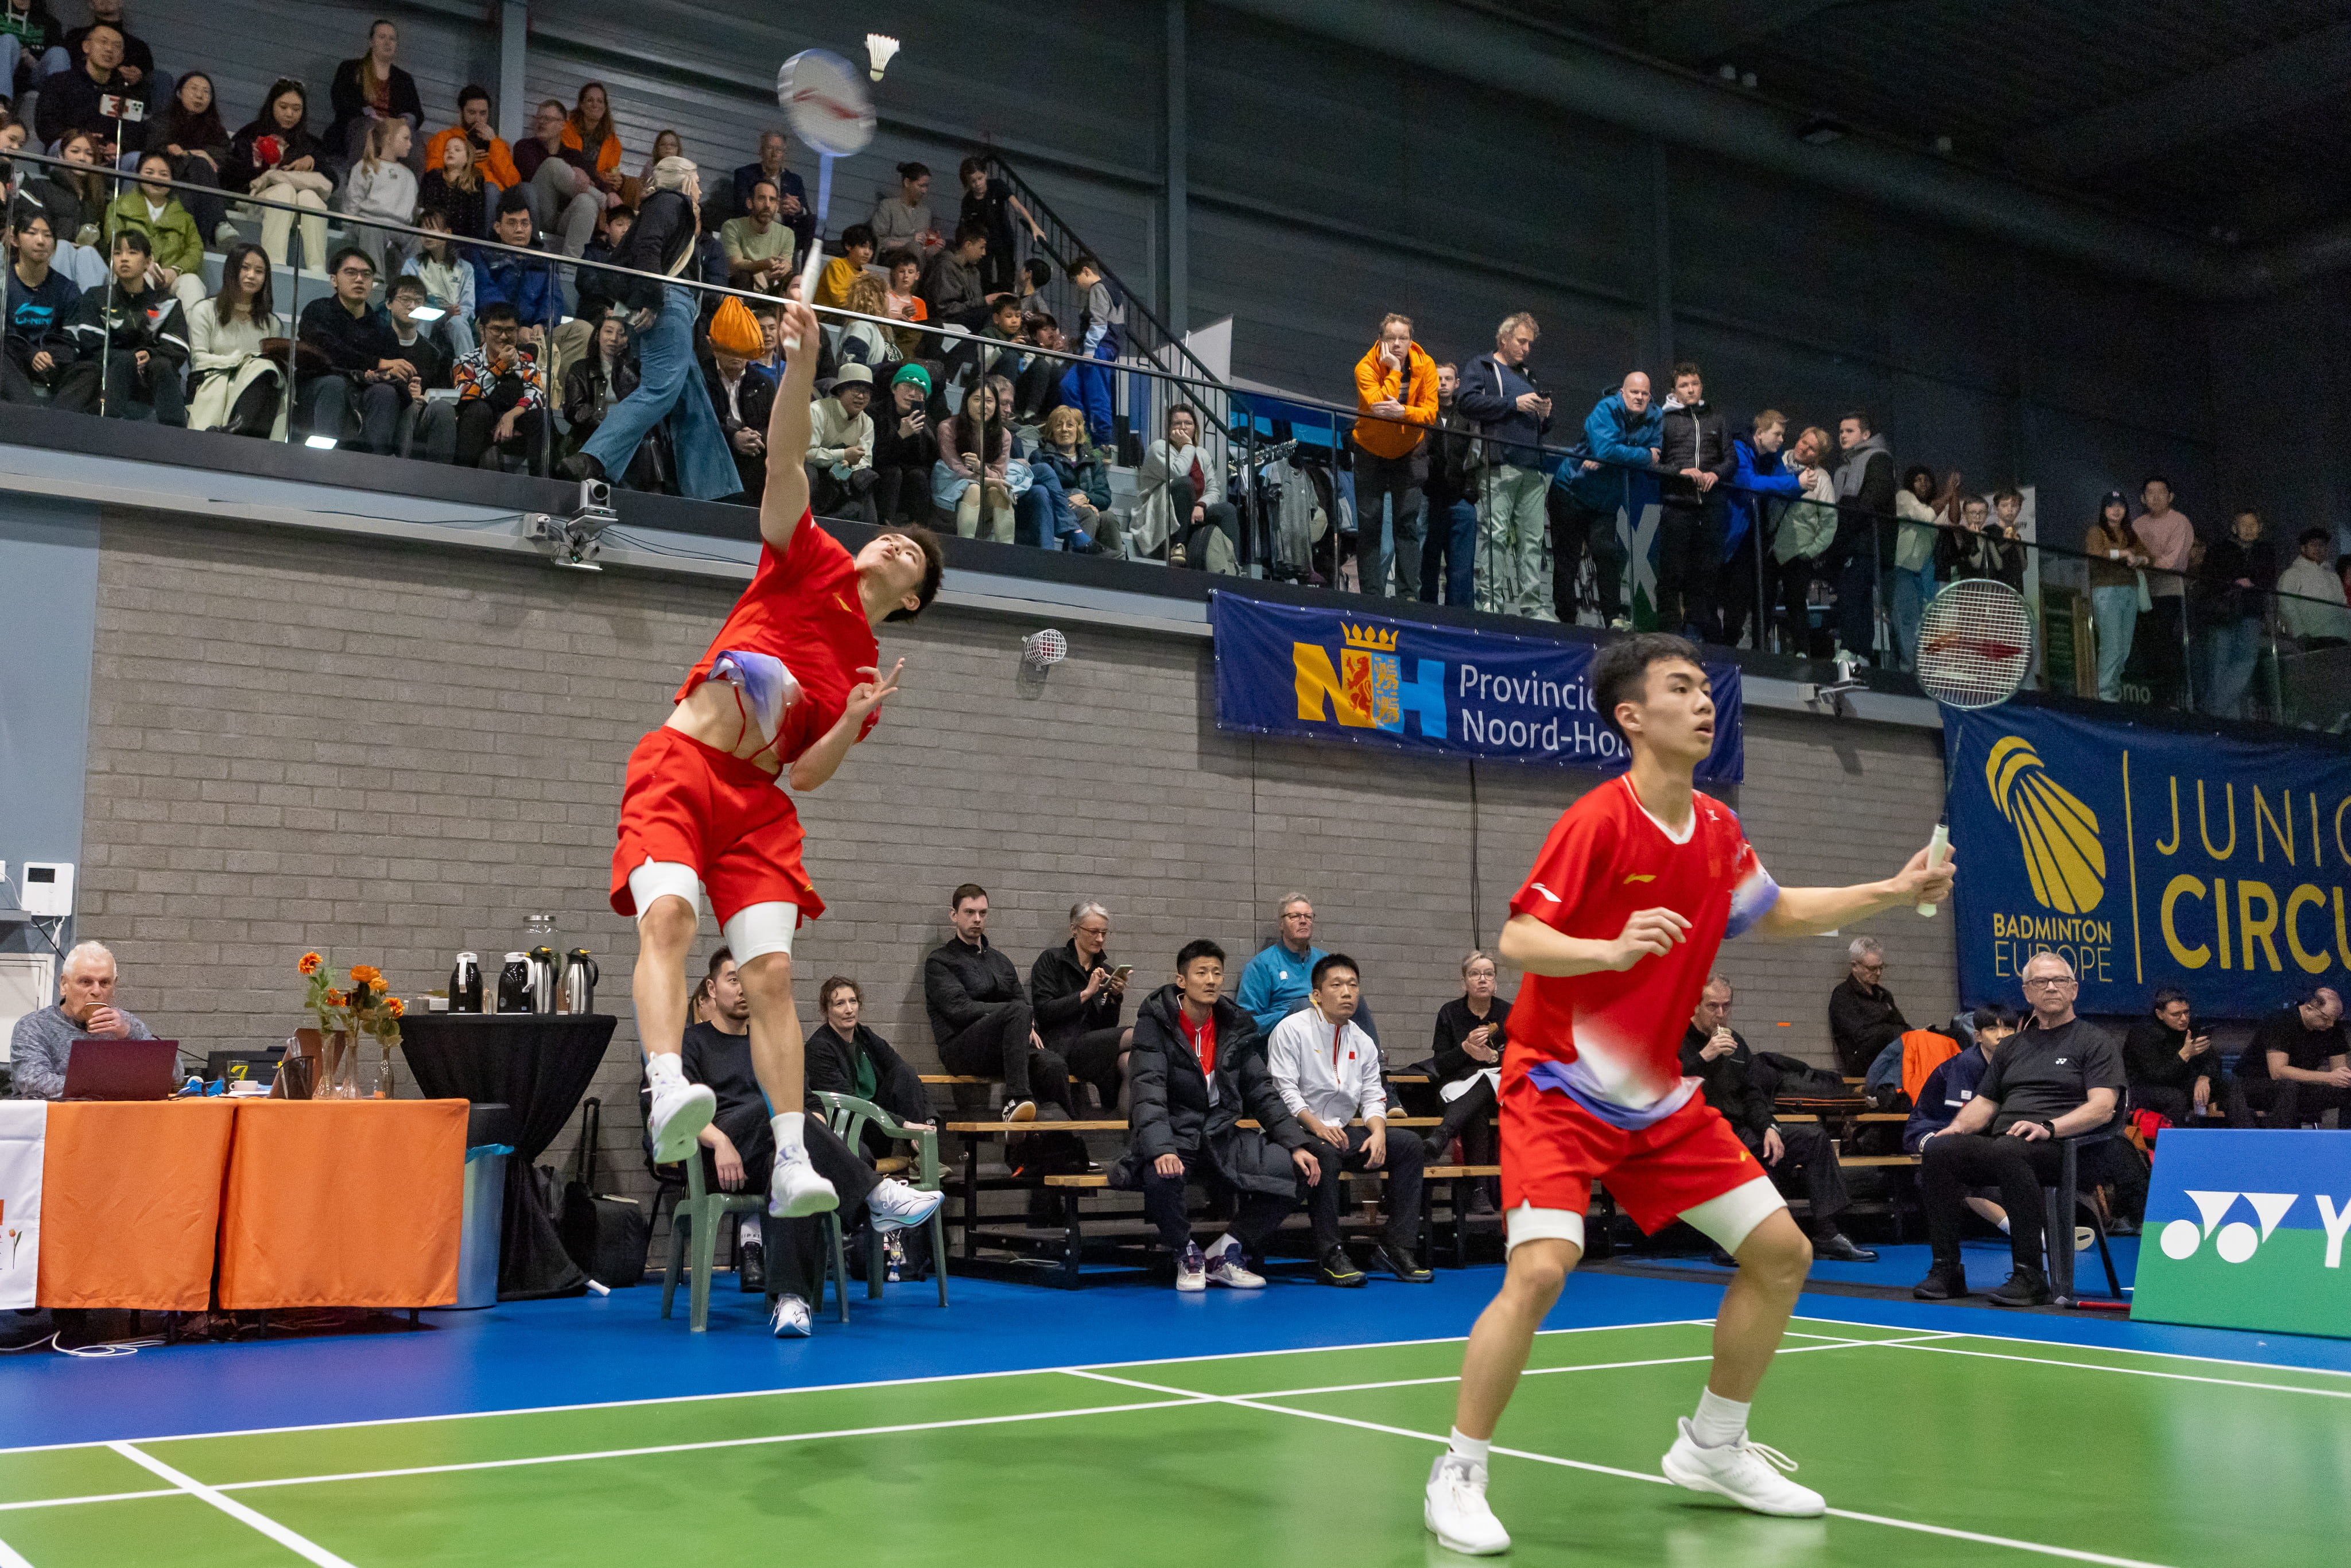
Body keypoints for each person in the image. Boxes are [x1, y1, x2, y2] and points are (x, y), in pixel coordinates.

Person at [1423, 633, 1954, 1554]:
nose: (1703, 702)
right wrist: (1611, 949)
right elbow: (1519, 941)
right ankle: (1460, 1469)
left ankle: (1713, 1444)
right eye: (1680, 688)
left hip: (1659, 1099)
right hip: (1556, 1084)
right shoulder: (1600, 820)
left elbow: (1777, 912)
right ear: (1632, 716)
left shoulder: (1715, 828)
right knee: (1544, 1268)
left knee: (1783, 1255)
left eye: (1706, 689)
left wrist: (1893, 887)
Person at [615, 291, 942, 1255]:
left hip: (758, 805)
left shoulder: (858, 673)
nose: (891, 540)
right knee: (669, 921)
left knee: (768, 975)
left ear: (913, 597)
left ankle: (797, 1157)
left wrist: (847, 719)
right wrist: (800, 364)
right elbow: (789, 459)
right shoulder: (810, 558)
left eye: (910, 550)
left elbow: (806, 777)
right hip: (683, 765)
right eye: (892, 531)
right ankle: (671, 1083)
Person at [681, 948, 944, 1335]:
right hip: (724, 1156)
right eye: (733, 979)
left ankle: (790, 1302)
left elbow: (810, 1106)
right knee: (776, 1114)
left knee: (794, 1163)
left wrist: (813, 1138)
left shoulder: (774, 1042)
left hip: (773, 1151)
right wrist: (718, 1140)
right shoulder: (692, 1042)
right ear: (712, 986)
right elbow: (679, 1109)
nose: (742, 989)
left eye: (749, 981)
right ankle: (876, 1196)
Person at [1912, 952, 2123, 1306]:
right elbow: (1985, 1105)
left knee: (2008, 1149)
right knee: (1939, 1149)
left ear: (2074, 990)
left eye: (2059, 981)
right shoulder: (2011, 1047)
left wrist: (2050, 1128)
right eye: (2040, 982)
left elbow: (2103, 1108)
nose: (2051, 987)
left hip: (2068, 1148)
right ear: (2028, 993)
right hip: (2007, 1144)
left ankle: (2030, 1275)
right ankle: (1946, 1270)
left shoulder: (2094, 1041)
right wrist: (1955, 1129)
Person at [1115, 938, 1317, 1291]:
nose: (1211, 980)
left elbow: (1262, 1091)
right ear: (1181, 980)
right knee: (1159, 1177)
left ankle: (1226, 1251)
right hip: (1176, 1132)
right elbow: (1148, 1092)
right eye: (1201, 973)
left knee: (1300, 1169)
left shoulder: (1234, 1026)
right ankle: (1185, 1253)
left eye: (1217, 973)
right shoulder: (1155, 1024)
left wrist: (1295, 1142)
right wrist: (1161, 1148)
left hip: (1222, 1134)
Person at [558, 157, 738, 499]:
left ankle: (713, 492)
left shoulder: (669, 207)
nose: (699, 189)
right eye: (696, 180)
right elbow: (649, 248)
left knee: (692, 400)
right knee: (659, 391)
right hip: (668, 305)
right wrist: (651, 301)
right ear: (682, 181)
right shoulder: (672, 201)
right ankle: (592, 459)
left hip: (675, 308)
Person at [1680, 976, 1876, 1266]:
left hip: (1740, 1128)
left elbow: (1753, 1095)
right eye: (1712, 1007)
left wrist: (1770, 1127)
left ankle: (1826, 1233)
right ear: (1694, 1006)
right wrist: (1704, 1056)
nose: (1721, 1014)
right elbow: (1663, 1085)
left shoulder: (1736, 1044)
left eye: (1726, 1006)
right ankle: (1732, 1240)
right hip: (1698, 1130)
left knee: (1814, 1138)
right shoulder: (1677, 1041)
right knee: (1742, 1151)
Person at [1267, 954, 1431, 1286]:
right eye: (1337, 985)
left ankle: (1396, 1247)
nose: (1347, 993)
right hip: (1295, 1135)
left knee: (1410, 1146)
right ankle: (1330, 1254)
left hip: (1340, 1132)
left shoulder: (1362, 1040)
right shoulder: (1291, 1030)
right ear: (1316, 994)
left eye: (1353, 985)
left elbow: (1373, 1095)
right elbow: (1283, 1091)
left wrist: (1379, 1131)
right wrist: (1317, 1127)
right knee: (1323, 1153)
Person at [922, 883, 1074, 1123]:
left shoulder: (1000, 961)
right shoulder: (940, 962)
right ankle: (1016, 1099)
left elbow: (1019, 1000)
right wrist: (1016, 1016)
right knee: (1018, 1011)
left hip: (1003, 1048)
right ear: (954, 916)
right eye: (969, 912)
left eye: (982, 913)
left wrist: (1027, 1023)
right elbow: (959, 1009)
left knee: (1052, 1063)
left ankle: (1069, 1147)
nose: (977, 919)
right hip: (960, 1049)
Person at [1456, 312, 1553, 620]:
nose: (1526, 348)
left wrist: (1545, 415)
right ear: (1504, 339)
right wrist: (1513, 404)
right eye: (1521, 341)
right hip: (1499, 463)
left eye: (1530, 344)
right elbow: (1467, 402)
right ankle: (1492, 604)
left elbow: (1543, 429)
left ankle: (1534, 608)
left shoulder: (1529, 377)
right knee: (1495, 535)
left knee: (1533, 542)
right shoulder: (1482, 367)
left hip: (1532, 467)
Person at [1552, 372, 1657, 628]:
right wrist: (1642, 455)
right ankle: (1566, 621)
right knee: (1568, 559)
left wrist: (1614, 454)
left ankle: (1614, 618)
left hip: (1607, 501)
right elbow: (1607, 451)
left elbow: (1657, 455)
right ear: (1623, 393)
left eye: (1645, 393)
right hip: (1570, 491)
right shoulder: (1605, 409)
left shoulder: (1656, 417)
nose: (1640, 397)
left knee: (1607, 554)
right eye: (1634, 392)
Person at [53, 228, 184, 422]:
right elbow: (91, 346)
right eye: (117, 253)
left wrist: (149, 354)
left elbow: (176, 349)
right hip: (106, 370)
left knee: (163, 365)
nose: (124, 259)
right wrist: (130, 357)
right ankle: (71, 424)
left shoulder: (166, 303)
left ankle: (176, 435)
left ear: (148, 262)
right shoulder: (95, 296)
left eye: (132, 252)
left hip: (148, 374)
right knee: (99, 368)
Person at [1349, 313, 1438, 599]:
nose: (1398, 343)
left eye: (1404, 338)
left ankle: (1408, 594)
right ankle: (1372, 595)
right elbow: (1378, 406)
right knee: (1370, 522)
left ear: (1412, 339)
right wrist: (1396, 370)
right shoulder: (1365, 367)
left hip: (1409, 451)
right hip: (1370, 450)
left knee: (1407, 524)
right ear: (1381, 341)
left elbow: (1430, 412)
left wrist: (1406, 413)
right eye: (1392, 338)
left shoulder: (1426, 365)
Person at [296, 247, 410, 453]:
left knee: (385, 393)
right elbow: (326, 351)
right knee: (334, 384)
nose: (359, 279)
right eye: (351, 273)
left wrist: (392, 376)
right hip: (320, 391)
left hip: (366, 396)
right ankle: (324, 464)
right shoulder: (318, 311)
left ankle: (375, 469)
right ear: (334, 280)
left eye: (366, 275)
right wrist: (377, 364)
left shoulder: (383, 329)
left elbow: (395, 374)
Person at [805, 976, 934, 1159]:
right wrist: (904, 1124)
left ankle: (920, 1155)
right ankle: (919, 1152)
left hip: (878, 1126)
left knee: (903, 1072)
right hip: (850, 1130)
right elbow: (850, 1103)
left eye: (853, 1001)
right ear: (827, 1011)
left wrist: (928, 1120)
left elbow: (906, 1072)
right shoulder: (819, 1048)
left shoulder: (864, 1036)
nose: (849, 1010)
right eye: (840, 1004)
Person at [7, 940, 152, 1099]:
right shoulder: (35, 1026)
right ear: (64, 985)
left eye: (105, 983)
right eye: (86, 982)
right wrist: (116, 1086)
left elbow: (174, 1075)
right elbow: (35, 1083)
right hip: (55, 1119)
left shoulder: (125, 1025)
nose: (96, 991)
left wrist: (131, 1035)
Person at [1029, 899, 1133, 1113]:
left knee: (1131, 1061)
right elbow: (1044, 1012)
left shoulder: (1104, 969)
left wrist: (1113, 998)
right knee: (1139, 1035)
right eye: (1094, 932)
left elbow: (1107, 1024)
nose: (1100, 939)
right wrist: (1085, 994)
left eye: (1104, 933)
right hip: (1061, 1045)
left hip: (1092, 1045)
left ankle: (1132, 1137)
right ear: (1074, 930)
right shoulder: (1052, 960)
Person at [1653, 363, 1732, 639]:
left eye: (1695, 384)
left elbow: (1730, 459)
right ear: (1674, 390)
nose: (1691, 389)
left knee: (1707, 571)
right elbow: (1653, 463)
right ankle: (1669, 630)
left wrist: (1716, 474)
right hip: (1677, 502)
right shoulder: (1663, 419)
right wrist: (1681, 472)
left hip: (1711, 505)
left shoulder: (1717, 418)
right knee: (1671, 570)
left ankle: (1694, 629)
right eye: (1684, 385)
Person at [1715, 410, 1805, 646]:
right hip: (1731, 531)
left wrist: (1800, 485)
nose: (1781, 439)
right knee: (1721, 590)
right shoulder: (1739, 448)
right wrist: (1795, 483)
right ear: (1760, 433)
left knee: (1745, 594)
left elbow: (1784, 486)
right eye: (1777, 434)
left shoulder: (1772, 458)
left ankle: (1734, 643)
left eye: (1782, 435)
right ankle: (1717, 643)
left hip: (1755, 534)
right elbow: (1749, 483)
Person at [226, 77, 331, 271]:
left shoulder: (309, 145)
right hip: (254, 200)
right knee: (283, 190)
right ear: (271, 105)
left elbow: (333, 181)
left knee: (310, 197)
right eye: (283, 107)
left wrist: (313, 162)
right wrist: (261, 163)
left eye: (296, 109)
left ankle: (317, 269)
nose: (290, 114)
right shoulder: (251, 134)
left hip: (298, 206)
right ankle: (274, 265)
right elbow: (229, 176)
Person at [185, 242, 285, 438]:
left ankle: (240, 428)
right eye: (245, 268)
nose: (251, 276)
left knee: (269, 374)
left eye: (259, 271)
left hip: (257, 388)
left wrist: (251, 367)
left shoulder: (272, 324)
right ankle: (239, 428)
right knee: (258, 367)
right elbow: (199, 360)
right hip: (213, 381)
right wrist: (243, 362)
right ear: (232, 270)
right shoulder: (204, 310)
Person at [1427, 950, 1510, 1182]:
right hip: (1457, 1088)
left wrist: (1491, 1057)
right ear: (1464, 983)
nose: (1482, 979)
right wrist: (1464, 1048)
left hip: (1500, 1093)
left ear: (1496, 984)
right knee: (1478, 1104)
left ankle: (1443, 1135)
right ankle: (1479, 1192)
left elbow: (1521, 1060)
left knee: (1486, 1080)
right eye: (1475, 974)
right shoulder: (1449, 1012)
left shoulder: (1508, 1013)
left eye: (1489, 974)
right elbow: (1440, 1064)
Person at [1825, 410, 1896, 665]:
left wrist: (1846, 527)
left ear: (1866, 434)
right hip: (1854, 541)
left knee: (1855, 593)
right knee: (1855, 595)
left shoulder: (1877, 458)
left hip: (1867, 542)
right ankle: (1860, 651)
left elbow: (1875, 498)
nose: (1843, 435)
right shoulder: (1847, 467)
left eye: (1850, 431)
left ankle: (1853, 649)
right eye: (1841, 431)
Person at [100, 149, 205, 316]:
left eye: (164, 174)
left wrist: (175, 270)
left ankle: (189, 340)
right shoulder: (118, 207)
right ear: (138, 175)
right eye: (149, 172)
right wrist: (143, 265)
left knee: (192, 282)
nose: (157, 178)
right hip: (131, 273)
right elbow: (114, 241)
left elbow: (195, 250)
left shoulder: (185, 218)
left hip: (169, 279)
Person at [2226, 988, 2348, 1129]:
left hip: (2301, 1087)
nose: (2330, 1025)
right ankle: (2280, 1138)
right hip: (2257, 1084)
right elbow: (2278, 1072)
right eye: (2326, 1019)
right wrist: (2329, 1078)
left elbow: (2339, 1070)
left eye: (2335, 1020)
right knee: (2289, 1086)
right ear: (2309, 1008)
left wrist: (2345, 1078)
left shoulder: (2331, 1028)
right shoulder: (2280, 1022)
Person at [448, 300, 548, 472]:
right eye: (497, 329)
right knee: (478, 409)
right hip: (477, 425)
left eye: (510, 330)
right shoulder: (466, 360)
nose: (504, 336)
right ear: (483, 331)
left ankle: (540, 483)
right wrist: (500, 366)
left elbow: (537, 396)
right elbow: (465, 394)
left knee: (541, 416)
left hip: (513, 425)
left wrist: (510, 416)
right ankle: (462, 478)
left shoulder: (526, 361)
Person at [1133, 405, 1235, 569]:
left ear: (1195, 427)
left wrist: (1201, 505)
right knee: (1184, 483)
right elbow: (1178, 473)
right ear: (1169, 429)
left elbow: (1213, 489)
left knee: (1227, 509)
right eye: (1177, 423)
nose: (1183, 427)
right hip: (1165, 515)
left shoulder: (1202, 454)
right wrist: (1188, 445)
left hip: (1195, 514)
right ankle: (1178, 546)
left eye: (1188, 423)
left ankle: (1232, 562)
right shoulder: (1159, 448)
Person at [2199, 510, 2274, 719]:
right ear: (2234, 528)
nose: (2249, 529)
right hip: (2223, 612)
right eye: (2244, 525)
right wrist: (2235, 581)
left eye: (2253, 525)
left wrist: (2253, 582)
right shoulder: (2220, 549)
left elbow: (2268, 577)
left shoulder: (2265, 550)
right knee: (2219, 662)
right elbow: (2209, 577)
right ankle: (2226, 717)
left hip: (2251, 612)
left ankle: (2213, 710)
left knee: (2245, 661)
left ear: (2260, 529)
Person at [143, 69, 230, 246]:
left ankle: (191, 243)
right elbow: (155, 150)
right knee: (197, 166)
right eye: (194, 89)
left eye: (206, 92)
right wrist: (190, 155)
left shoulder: (217, 130)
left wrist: (187, 153)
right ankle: (220, 223)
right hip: (167, 178)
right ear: (179, 93)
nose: (200, 96)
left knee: (194, 183)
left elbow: (220, 160)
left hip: (199, 186)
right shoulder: (163, 119)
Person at [1417, 362, 1480, 607]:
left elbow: (1477, 454)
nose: (1442, 383)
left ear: (1457, 384)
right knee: (1427, 562)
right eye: (1438, 379)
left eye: (1447, 378)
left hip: (1461, 498)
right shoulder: (1423, 412)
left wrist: (1470, 490)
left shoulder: (1468, 417)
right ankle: (1426, 614)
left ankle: (1460, 620)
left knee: (1462, 568)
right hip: (1429, 497)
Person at [932, 377, 1021, 541]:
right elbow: (956, 468)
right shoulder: (948, 427)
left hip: (985, 488)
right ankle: (966, 545)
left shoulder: (1004, 435)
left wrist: (981, 468)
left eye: (989, 401)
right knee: (974, 489)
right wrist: (990, 481)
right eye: (977, 399)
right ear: (967, 401)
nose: (983, 406)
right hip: (951, 486)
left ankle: (1007, 550)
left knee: (999, 492)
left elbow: (999, 476)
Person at [0, 208, 74, 404]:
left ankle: (59, 418)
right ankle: (31, 411)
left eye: (48, 235)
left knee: (90, 370)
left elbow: (71, 340)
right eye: (32, 233)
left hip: (51, 364)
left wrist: (49, 356)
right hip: (12, 361)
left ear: (55, 246)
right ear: (15, 240)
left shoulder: (67, 289)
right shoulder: (3, 283)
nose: (41, 241)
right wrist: (29, 354)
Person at [2132, 476, 2195, 702]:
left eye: (2162, 492)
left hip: (2170, 592)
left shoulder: (2180, 522)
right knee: (2145, 646)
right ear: (2142, 498)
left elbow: (2174, 563)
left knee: (2166, 646)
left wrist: (2145, 561)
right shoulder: (2137, 525)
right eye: (2150, 492)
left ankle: (2171, 699)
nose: (2156, 497)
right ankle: (2153, 699)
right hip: (2142, 594)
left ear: (2171, 497)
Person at [324, 17, 421, 160]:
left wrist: (402, 122)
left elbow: (417, 113)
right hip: (357, 127)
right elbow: (341, 101)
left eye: (392, 39)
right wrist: (368, 114)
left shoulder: (405, 79)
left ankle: (407, 181)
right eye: (382, 37)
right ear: (372, 42)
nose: (388, 42)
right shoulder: (350, 69)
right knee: (368, 128)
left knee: (415, 140)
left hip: (392, 132)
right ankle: (359, 176)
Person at [32, 18, 139, 147]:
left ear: (121, 58)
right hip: (67, 148)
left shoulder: (126, 95)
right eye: (103, 42)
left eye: (116, 46)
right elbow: (46, 125)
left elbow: (135, 135)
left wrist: (119, 148)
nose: (110, 49)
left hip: (107, 156)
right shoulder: (59, 82)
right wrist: (82, 140)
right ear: (86, 47)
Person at [2084, 489, 2148, 703]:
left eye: (2121, 505)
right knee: (2111, 645)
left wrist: (2139, 560)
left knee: (2124, 648)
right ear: (2104, 510)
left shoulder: (2130, 533)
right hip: (2106, 590)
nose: (2116, 510)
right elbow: (2095, 552)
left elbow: (2150, 557)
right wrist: (2123, 554)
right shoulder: (2096, 531)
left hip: (2130, 589)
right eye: (2111, 506)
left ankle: (2112, 689)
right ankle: (2103, 694)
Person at [468, 191, 561, 338]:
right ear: (497, 227)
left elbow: (552, 297)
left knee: (581, 330)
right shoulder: (483, 254)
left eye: (524, 223)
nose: (519, 229)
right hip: (496, 324)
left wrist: (542, 324)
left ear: (531, 226)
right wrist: (515, 327)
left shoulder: (543, 258)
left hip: (535, 330)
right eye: (512, 223)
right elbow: (485, 292)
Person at [1021, 403, 1112, 553]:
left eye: (1070, 425)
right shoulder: (1040, 456)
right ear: (1052, 431)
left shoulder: (1093, 460)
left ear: (1078, 430)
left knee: (1109, 518)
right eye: (1059, 426)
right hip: (1054, 510)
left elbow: (1105, 496)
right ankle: (1075, 561)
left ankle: (1116, 563)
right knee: (1087, 514)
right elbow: (1043, 493)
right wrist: (1074, 500)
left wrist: (1087, 499)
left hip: (1084, 508)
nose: (1064, 430)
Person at [2122, 988, 2218, 1127]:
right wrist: (2185, 1054)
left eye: (2186, 1012)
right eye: (2176, 1015)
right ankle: (2172, 1145)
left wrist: (2204, 1078)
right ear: (2160, 1014)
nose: (2184, 1019)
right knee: (2176, 1098)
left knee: (2229, 1085)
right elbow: (2157, 1076)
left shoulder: (2190, 1028)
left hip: (2179, 1083)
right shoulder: (2143, 1034)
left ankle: (2247, 1140)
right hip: (2143, 1088)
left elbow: (2212, 1058)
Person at [1239, 894, 1328, 1039]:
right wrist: (1290, 1016)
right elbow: (1246, 1023)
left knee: (1357, 1003)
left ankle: (1376, 1060)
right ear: (1281, 924)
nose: (1303, 921)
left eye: (1308, 916)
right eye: (1295, 916)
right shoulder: (1262, 965)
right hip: (1284, 1038)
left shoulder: (1326, 962)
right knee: (1305, 1006)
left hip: (1328, 1031)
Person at [703, 325, 775, 501]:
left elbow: (775, 424)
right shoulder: (700, 377)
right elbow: (699, 423)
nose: (737, 353)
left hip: (754, 450)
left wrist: (756, 437)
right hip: (715, 448)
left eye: (742, 347)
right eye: (730, 347)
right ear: (715, 348)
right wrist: (733, 438)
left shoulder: (763, 382)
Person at [339, 117, 417, 277]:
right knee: (372, 230)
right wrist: (348, 228)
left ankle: (413, 282)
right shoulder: (365, 167)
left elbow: (412, 211)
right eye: (405, 139)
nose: (410, 144)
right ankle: (375, 278)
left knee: (420, 239)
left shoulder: (409, 176)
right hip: (370, 224)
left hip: (400, 228)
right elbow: (353, 202)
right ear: (389, 139)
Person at [804, 360, 876, 522]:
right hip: (813, 469)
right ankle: (800, 525)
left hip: (841, 473)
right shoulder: (817, 411)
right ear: (841, 391)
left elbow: (865, 460)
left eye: (867, 392)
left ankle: (871, 533)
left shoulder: (867, 422)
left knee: (867, 478)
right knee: (808, 471)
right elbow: (807, 454)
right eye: (856, 390)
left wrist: (849, 464)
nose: (861, 396)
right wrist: (842, 454)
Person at [401, 209, 478, 359]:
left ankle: (469, 372)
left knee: (459, 323)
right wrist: (439, 310)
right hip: (425, 314)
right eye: (423, 230)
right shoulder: (412, 265)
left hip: (453, 318)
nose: (426, 235)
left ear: (447, 232)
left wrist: (453, 313)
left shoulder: (465, 268)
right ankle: (415, 364)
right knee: (424, 316)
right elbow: (408, 299)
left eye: (432, 229)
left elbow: (468, 306)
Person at [1828, 936, 1908, 1079]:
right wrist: (1889, 1029)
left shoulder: (1884, 995)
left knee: (1934, 1037)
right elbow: (1860, 1035)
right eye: (1872, 968)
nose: (1878, 973)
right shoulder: (1843, 995)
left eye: (1881, 967)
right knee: (1892, 1034)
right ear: (1855, 966)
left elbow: (1902, 1026)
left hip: (1889, 1051)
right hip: (1862, 1061)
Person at [956, 154, 1038, 295]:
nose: (978, 184)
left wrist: (1033, 226)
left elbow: (1017, 206)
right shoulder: (968, 201)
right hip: (984, 243)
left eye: (980, 179)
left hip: (1004, 237)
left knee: (1006, 276)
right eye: (973, 181)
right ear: (969, 183)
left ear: (986, 174)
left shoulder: (997, 186)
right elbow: (965, 226)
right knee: (984, 276)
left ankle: (1006, 301)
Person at [422, 85, 522, 196]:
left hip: (498, 200)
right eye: (472, 113)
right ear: (461, 112)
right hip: (463, 197)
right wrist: (464, 161)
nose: (478, 119)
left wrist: (495, 143)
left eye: (483, 113)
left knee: (526, 189)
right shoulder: (445, 138)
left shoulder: (497, 143)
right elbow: (434, 176)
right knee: (490, 188)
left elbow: (514, 183)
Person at [870, 363, 936, 526]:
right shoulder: (874, 413)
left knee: (918, 476)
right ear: (894, 389)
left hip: (907, 484)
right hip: (880, 476)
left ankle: (919, 533)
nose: (912, 394)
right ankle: (883, 528)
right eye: (907, 386)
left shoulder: (927, 423)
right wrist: (901, 435)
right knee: (894, 472)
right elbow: (875, 458)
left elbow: (925, 464)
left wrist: (919, 435)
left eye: (919, 390)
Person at [732, 131, 813, 254]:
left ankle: (806, 271)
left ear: (784, 154)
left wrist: (798, 210)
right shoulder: (745, 174)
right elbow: (741, 207)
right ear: (761, 151)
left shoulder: (795, 180)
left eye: (779, 150)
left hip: (785, 234)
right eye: (770, 148)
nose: (774, 154)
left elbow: (807, 212)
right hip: (756, 231)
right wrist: (775, 208)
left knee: (815, 221)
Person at [2278, 526, 2351, 647]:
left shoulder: (2333, 576)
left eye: (2322, 545)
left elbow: (2343, 605)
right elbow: (2287, 605)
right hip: (2315, 640)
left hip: (2343, 637)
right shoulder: (2292, 574)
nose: (2318, 549)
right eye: (2313, 545)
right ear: (2303, 548)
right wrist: (2300, 634)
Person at [721, 177, 794, 294]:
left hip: (771, 289)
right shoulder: (732, 227)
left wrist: (785, 267)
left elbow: (786, 265)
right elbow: (735, 265)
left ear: (777, 206)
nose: (767, 205)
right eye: (762, 198)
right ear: (750, 203)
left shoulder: (787, 234)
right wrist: (764, 265)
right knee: (743, 276)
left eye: (772, 200)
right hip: (739, 288)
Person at [416, 132, 486, 243]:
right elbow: (423, 208)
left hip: (461, 240)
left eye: (457, 150)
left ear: (468, 158)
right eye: (447, 149)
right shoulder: (432, 176)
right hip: (431, 235)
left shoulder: (474, 182)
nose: (450, 151)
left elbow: (475, 220)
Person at [919, 219, 990, 325]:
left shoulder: (974, 272)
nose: (984, 253)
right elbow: (946, 309)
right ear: (968, 245)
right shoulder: (945, 266)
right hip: (945, 326)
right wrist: (984, 301)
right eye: (982, 247)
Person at [0, 1, 64, 110]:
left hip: (34, 74)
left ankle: (59, 111)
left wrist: (33, 62)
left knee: (59, 53)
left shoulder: (49, 22)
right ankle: (1, 104)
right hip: (4, 70)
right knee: (9, 41)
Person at [870, 161, 936, 256]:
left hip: (917, 261)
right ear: (907, 183)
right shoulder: (888, 206)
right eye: (921, 186)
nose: (925, 191)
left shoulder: (926, 213)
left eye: (927, 186)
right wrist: (910, 243)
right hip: (891, 257)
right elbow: (880, 242)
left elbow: (925, 244)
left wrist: (934, 245)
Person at [814, 222, 876, 312]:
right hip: (829, 316)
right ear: (848, 246)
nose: (867, 252)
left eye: (871, 248)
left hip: (853, 316)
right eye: (863, 246)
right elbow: (841, 302)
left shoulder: (866, 275)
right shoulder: (836, 265)